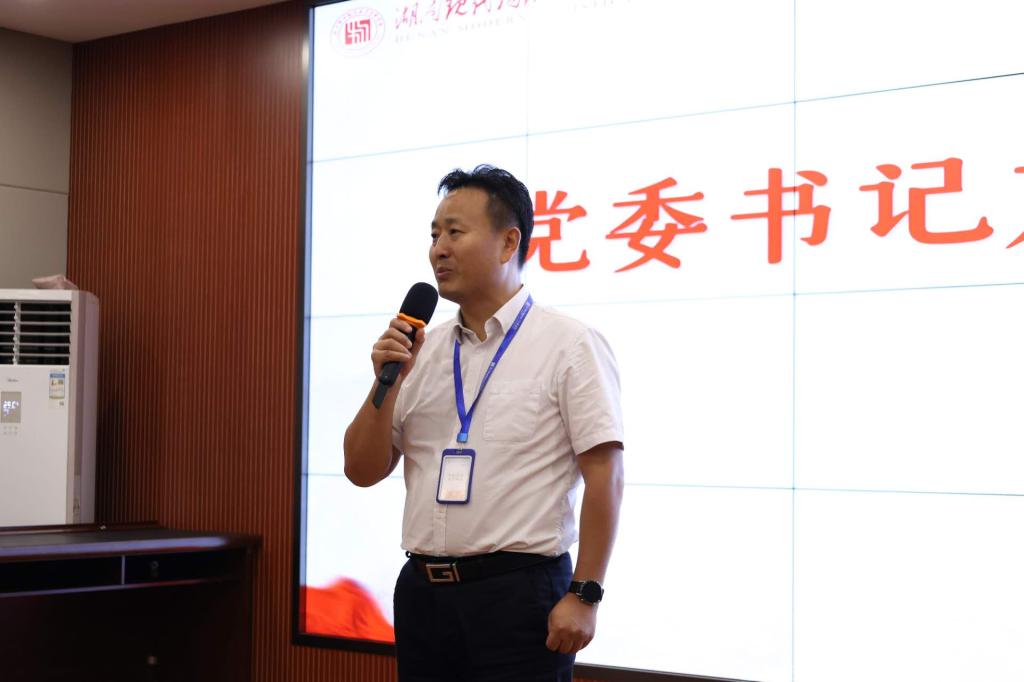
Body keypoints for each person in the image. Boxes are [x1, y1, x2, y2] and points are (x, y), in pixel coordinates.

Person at [343, 164, 624, 681]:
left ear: (508, 242)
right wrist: (387, 381)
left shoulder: (568, 344)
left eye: (455, 232)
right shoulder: (420, 352)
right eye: (434, 235)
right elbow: (360, 470)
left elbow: (606, 474)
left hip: (519, 596)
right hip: (424, 595)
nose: (439, 249)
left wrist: (586, 593)